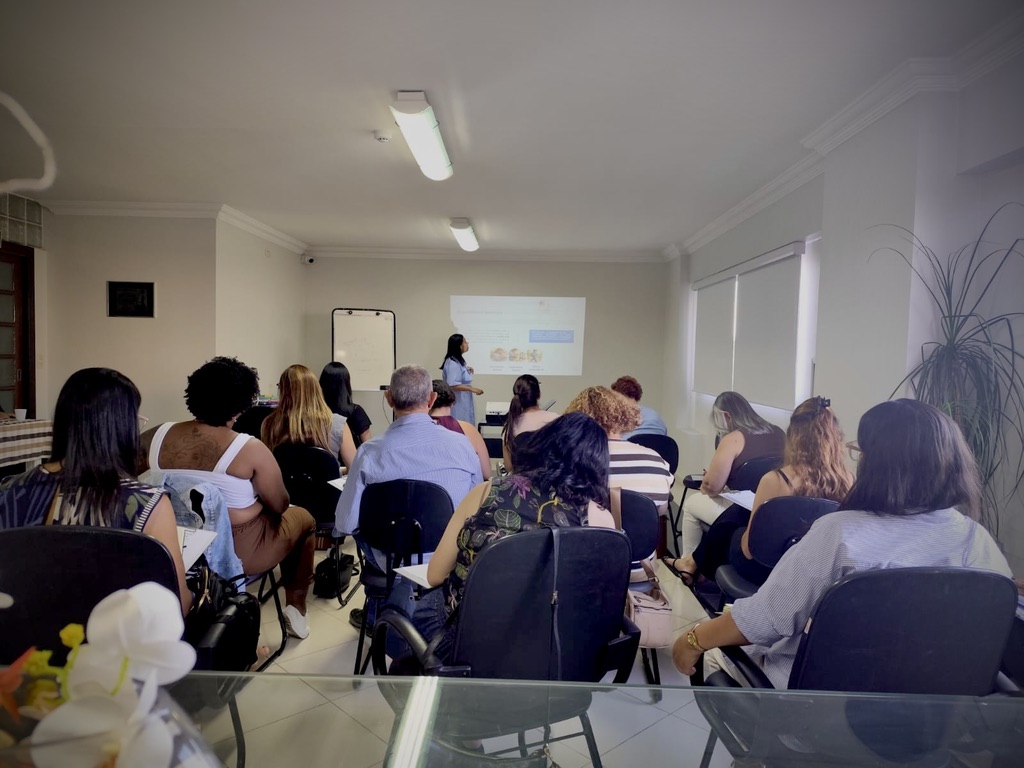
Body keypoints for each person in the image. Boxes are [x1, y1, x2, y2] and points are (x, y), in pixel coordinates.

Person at [672, 399, 1012, 689]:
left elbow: (763, 621)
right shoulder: (974, 539)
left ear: (876, 463)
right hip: (927, 721)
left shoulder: (839, 533)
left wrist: (693, 640)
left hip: (817, 709)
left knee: (717, 658)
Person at [142, 356, 316, 639]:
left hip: (167, 546)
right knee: (304, 519)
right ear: (243, 404)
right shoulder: (248, 448)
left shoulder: (154, 436)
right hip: (237, 549)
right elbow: (280, 504)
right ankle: (296, 610)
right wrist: (252, 504)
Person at [0, 368, 192, 616]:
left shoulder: (8, 491)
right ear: (120, 428)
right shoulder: (147, 503)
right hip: (109, 649)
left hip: (21, 647)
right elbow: (176, 605)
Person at [425, 413, 617, 659]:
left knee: (407, 611)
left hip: (468, 640)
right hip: (553, 649)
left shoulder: (487, 492)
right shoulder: (601, 519)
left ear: (544, 445)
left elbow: (434, 575)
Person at [335, 364, 483, 631]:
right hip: (448, 557)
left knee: (359, 526)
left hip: (390, 559)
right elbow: (476, 512)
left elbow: (345, 524)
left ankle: (377, 611)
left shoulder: (368, 453)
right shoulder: (462, 445)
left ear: (389, 399)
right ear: (432, 399)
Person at [662, 396, 853, 585]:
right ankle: (692, 564)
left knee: (734, 523)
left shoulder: (775, 480)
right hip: (812, 570)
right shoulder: (847, 481)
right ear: (835, 437)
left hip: (766, 569)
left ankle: (692, 565)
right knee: (736, 515)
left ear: (794, 436)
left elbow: (748, 549)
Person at [679, 391, 785, 557]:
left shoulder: (733, 439)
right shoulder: (779, 433)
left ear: (727, 416)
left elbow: (713, 487)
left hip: (740, 512)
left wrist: (707, 481)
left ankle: (687, 562)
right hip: (773, 511)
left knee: (692, 503)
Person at [564, 386, 673, 514]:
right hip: (639, 533)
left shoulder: (567, 459)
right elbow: (660, 511)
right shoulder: (655, 460)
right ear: (622, 416)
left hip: (586, 532)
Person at [262, 364, 356, 469]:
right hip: (327, 485)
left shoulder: (270, 423)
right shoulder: (337, 423)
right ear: (316, 389)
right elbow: (355, 469)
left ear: (283, 391)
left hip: (284, 485)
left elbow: (268, 466)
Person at [430, 380, 491, 481]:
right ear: (452, 402)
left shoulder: (419, 430)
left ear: (428, 402)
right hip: (465, 494)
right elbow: (486, 473)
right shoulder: (468, 429)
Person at [500, 374, 558, 470]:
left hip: (521, 483)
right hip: (549, 482)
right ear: (539, 395)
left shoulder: (510, 426)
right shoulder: (556, 420)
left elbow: (508, 467)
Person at [319, 361, 373, 448]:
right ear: (346, 384)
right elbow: (369, 447)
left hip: (322, 460)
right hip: (352, 460)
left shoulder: (315, 412)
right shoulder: (356, 411)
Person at [440, 333, 482, 425]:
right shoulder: (453, 363)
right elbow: (453, 384)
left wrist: (467, 370)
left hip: (463, 401)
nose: (467, 343)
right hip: (458, 403)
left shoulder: (458, 361)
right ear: (459, 346)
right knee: (460, 425)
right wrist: (472, 389)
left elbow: (459, 376)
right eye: (465, 342)